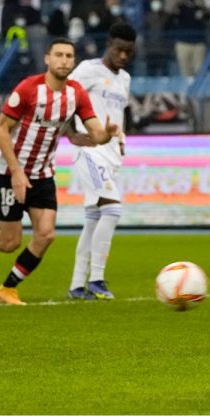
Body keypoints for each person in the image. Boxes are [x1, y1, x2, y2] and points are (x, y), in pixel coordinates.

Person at [0, 38, 118, 306]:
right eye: (59, 55)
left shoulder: (76, 93)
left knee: (46, 235)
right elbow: (1, 128)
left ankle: (7, 288)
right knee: (10, 242)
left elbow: (94, 132)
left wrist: (105, 136)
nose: (64, 60)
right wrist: (16, 171)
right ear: (47, 58)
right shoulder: (28, 89)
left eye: (69, 56)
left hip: (43, 174)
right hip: (10, 173)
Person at [66, 22, 136, 300]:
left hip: (111, 154)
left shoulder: (125, 79)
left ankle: (76, 285)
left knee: (94, 218)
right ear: (109, 44)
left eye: (128, 52)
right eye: (119, 50)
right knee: (113, 210)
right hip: (90, 152)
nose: (123, 56)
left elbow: (119, 113)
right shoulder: (87, 70)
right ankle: (97, 279)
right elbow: (66, 98)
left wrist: (121, 141)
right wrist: (72, 134)